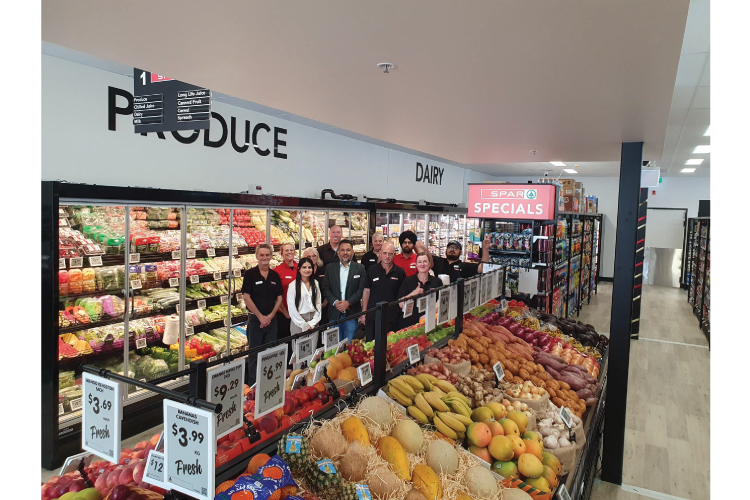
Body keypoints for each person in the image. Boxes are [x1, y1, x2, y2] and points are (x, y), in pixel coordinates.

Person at [241, 243, 283, 385]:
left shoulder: (275, 275)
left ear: (271, 256)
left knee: (269, 353)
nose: (265, 257)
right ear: (257, 257)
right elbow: (246, 297)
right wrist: (260, 317)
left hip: (272, 321)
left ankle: (267, 383)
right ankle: (253, 386)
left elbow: (279, 298)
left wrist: (270, 316)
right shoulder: (250, 274)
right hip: (255, 321)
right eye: (262, 255)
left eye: (267, 255)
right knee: (254, 355)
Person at [360, 241, 406, 340]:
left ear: (394, 255)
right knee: (371, 345)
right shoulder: (372, 270)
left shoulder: (400, 272)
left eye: (390, 254)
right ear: (380, 253)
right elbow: (366, 291)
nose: (387, 256)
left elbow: (402, 295)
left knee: (391, 344)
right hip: (373, 316)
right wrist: (364, 312)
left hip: (392, 317)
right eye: (385, 253)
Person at [322, 239, 366, 343]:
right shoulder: (330, 268)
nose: (345, 253)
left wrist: (348, 302)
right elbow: (325, 288)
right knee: (334, 346)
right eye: (342, 250)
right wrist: (335, 302)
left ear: (353, 252)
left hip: (351, 314)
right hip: (334, 313)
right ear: (338, 252)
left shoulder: (360, 268)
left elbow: (361, 289)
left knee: (350, 344)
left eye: (348, 250)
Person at [396, 252, 443, 330]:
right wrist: (413, 293)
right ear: (416, 264)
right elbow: (400, 304)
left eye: (425, 261)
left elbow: (441, 301)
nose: (422, 264)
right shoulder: (408, 281)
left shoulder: (437, 281)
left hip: (429, 324)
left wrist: (429, 314)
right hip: (409, 326)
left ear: (429, 264)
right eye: (419, 262)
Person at [287, 257, 321, 334]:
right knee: (298, 342)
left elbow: (318, 303)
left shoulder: (315, 283)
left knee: (314, 342)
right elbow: (291, 308)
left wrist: (313, 322)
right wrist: (303, 324)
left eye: (309, 267)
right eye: (304, 267)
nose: (307, 270)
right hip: (298, 321)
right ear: (299, 269)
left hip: (314, 320)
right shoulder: (292, 285)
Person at [275, 243, 298, 339]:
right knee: (285, 340)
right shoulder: (277, 271)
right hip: (284, 314)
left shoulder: (301, 268)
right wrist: (286, 313)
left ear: (294, 252)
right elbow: (276, 295)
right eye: (286, 250)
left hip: (299, 312)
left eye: (291, 250)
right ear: (281, 254)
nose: (289, 252)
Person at [302, 246, 329, 326]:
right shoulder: (301, 270)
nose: (312, 258)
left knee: (322, 327)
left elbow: (329, 285)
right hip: (306, 307)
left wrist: (325, 301)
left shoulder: (324, 269)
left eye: (314, 256)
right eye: (309, 256)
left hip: (323, 306)